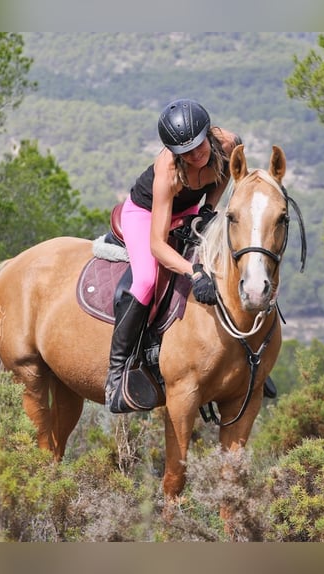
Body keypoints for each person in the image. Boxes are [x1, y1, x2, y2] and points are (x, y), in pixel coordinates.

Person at [105, 98, 242, 413]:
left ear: (208, 133)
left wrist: (208, 209)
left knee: (228, 259)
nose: (197, 155)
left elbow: (225, 176)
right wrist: (192, 272)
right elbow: (158, 244)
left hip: (188, 211)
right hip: (145, 215)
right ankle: (117, 374)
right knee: (145, 280)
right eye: (187, 153)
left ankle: (241, 358)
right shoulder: (167, 171)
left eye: (199, 146)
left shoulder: (228, 143)